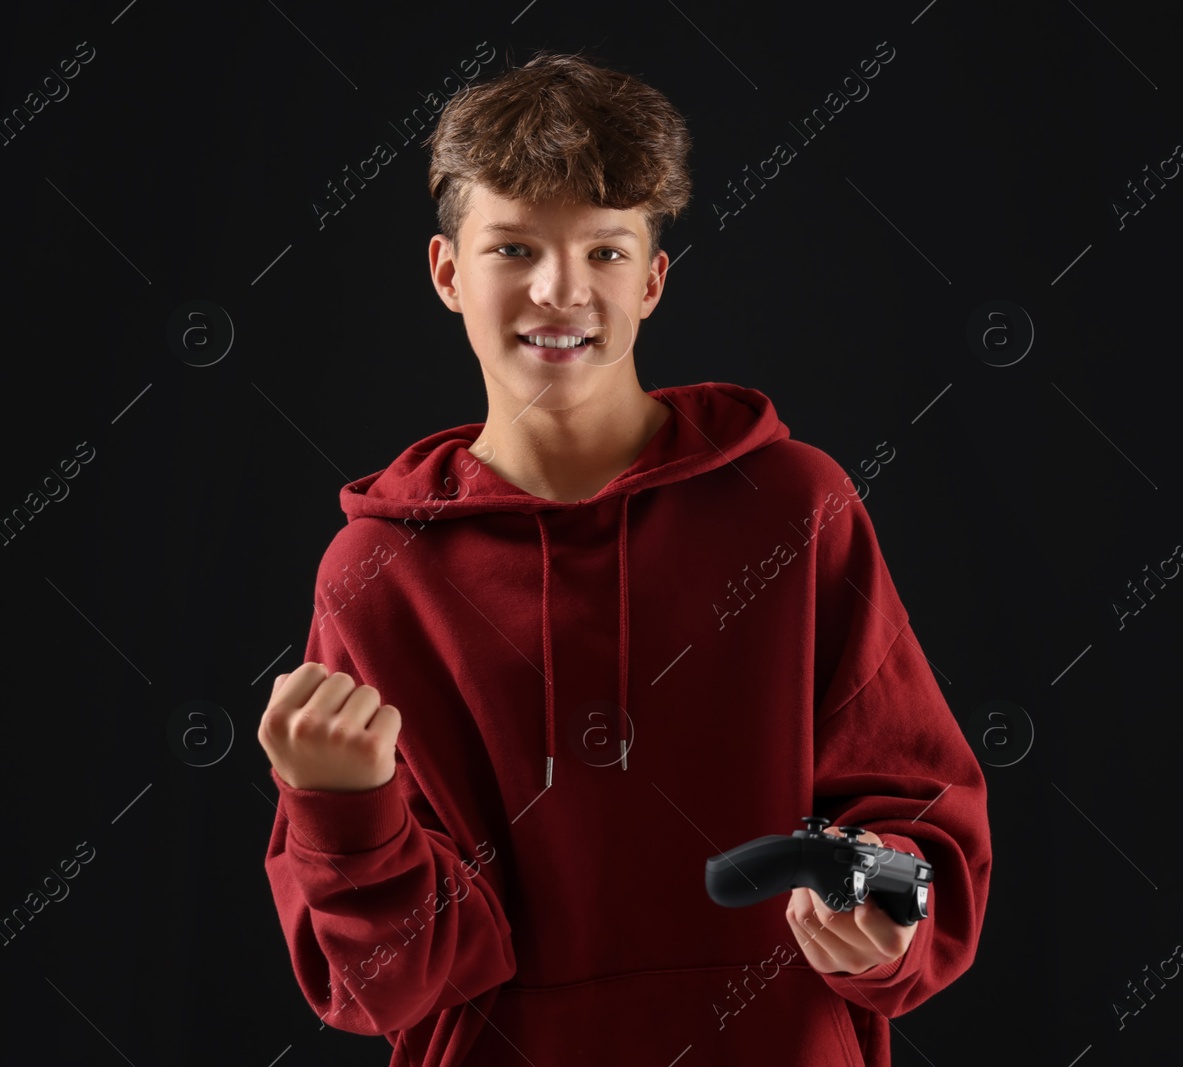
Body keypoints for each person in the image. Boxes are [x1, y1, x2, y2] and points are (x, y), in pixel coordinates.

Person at [258, 49, 991, 1067]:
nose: (560, 290)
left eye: (603, 253)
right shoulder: (378, 573)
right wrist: (343, 810)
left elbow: (922, 820)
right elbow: (384, 985)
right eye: (514, 248)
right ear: (446, 272)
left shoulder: (794, 506)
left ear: (652, 280)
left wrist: (882, 903)